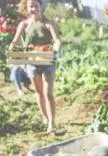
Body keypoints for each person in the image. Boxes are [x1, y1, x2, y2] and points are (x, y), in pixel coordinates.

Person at [9, 0, 61, 133]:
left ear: (40, 6)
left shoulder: (48, 23)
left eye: (36, 6)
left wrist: (56, 49)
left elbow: (56, 40)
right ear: (27, 8)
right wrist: (12, 48)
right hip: (32, 62)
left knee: (48, 92)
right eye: (31, 6)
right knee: (39, 92)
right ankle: (45, 118)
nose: (34, 8)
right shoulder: (24, 24)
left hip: (47, 61)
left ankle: (52, 123)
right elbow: (15, 40)